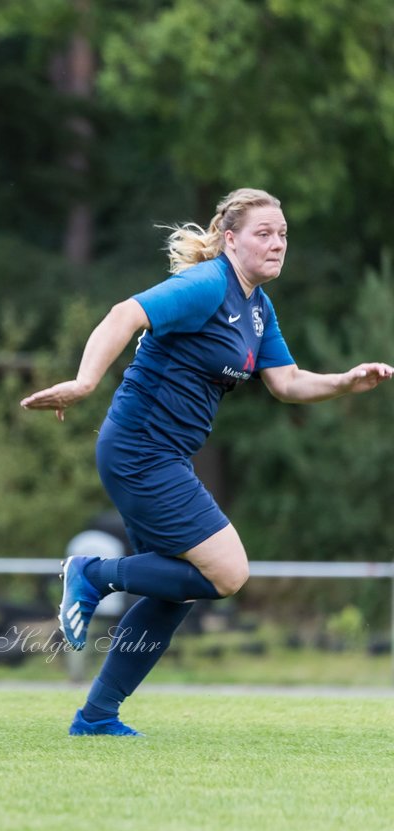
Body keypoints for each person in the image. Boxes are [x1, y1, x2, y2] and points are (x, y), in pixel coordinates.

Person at [21, 188, 392, 736]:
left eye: (283, 234)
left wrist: (345, 382)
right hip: (140, 451)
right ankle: (92, 573)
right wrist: (84, 382)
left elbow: (286, 383)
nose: (277, 243)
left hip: (162, 455)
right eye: (263, 233)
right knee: (228, 571)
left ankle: (96, 716)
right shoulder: (207, 285)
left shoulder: (258, 310)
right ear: (230, 239)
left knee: (180, 589)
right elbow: (125, 314)